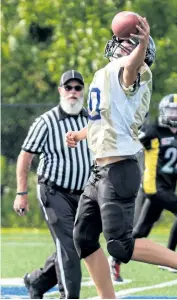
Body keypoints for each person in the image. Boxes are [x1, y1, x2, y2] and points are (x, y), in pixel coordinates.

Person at [66, 14, 177, 299]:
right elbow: (104, 120)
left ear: (142, 53)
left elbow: (132, 67)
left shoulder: (134, 71)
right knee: (83, 238)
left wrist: (141, 43)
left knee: (120, 246)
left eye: (130, 44)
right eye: (122, 42)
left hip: (119, 169)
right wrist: (81, 134)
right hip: (100, 170)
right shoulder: (105, 74)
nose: (122, 46)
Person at [13, 70, 92, 299]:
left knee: (79, 243)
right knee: (69, 244)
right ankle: (69, 296)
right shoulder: (46, 122)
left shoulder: (90, 119)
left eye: (78, 88)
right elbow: (25, 157)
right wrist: (21, 193)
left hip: (83, 194)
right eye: (68, 88)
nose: (73, 93)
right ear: (60, 91)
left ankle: (37, 281)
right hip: (53, 191)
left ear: (83, 92)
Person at [110, 93, 177, 281]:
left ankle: (115, 259)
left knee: (140, 232)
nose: (174, 115)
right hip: (153, 186)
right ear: (164, 112)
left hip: (166, 188)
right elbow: (129, 145)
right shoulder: (152, 131)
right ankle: (172, 258)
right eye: (171, 110)